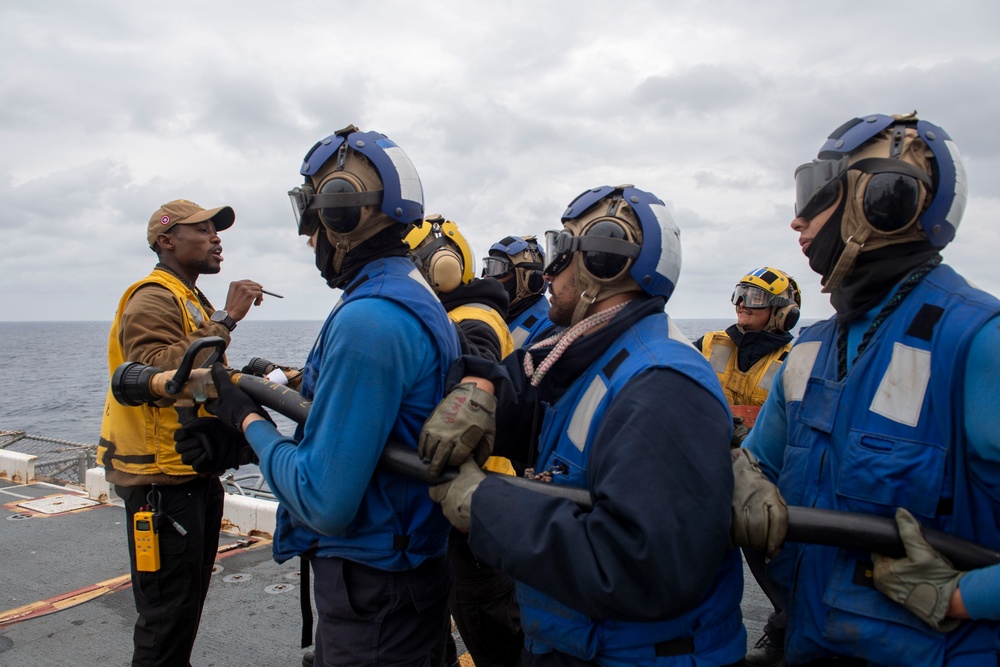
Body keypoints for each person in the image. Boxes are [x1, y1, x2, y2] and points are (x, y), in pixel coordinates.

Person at [422, 184, 747, 666]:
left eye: (562, 252)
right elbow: (526, 387)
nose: (549, 271)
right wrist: (481, 388)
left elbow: (638, 565)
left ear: (603, 260)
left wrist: (483, 503)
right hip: (579, 642)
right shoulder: (593, 353)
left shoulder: (660, 383)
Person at [185, 125, 462, 667]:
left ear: (341, 215)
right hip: (406, 574)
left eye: (312, 218)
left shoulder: (369, 320)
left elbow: (323, 499)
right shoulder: (404, 292)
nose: (308, 237)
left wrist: (246, 421)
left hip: (375, 591)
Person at [732, 112, 1000, 666]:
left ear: (886, 198)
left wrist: (960, 596)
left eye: (815, 194)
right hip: (809, 641)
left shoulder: (977, 343)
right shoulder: (811, 349)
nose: (797, 220)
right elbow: (759, 463)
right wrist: (742, 477)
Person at [99, 199, 265, 666]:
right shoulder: (152, 296)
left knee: (184, 608)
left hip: (189, 470)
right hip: (159, 481)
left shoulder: (189, 298)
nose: (216, 239)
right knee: (166, 616)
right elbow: (154, 371)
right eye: (203, 230)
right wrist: (228, 319)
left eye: (217, 231)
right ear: (166, 241)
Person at [407, 214, 523, 667]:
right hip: (450, 496)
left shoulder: (473, 316)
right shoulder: (447, 314)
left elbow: (478, 363)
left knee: (489, 626)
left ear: (440, 267)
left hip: (475, 503)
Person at [695, 266, 800, 667]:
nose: (741, 304)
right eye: (740, 293)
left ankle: (785, 633)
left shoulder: (797, 359)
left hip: (765, 477)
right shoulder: (708, 343)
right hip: (708, 470)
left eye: (754, 298)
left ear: (781, 310)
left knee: (774, 561)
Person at [407, 214, 515, 362]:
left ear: (439, 269)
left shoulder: (476, 321)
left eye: (410, 266)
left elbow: (480, 368)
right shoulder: (455, 312)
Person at [482, 235, 553, 348]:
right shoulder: (493, 316)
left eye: (497, 268)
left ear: (530, 279)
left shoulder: (549, 330)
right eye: (489, 267)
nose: (487, 277)